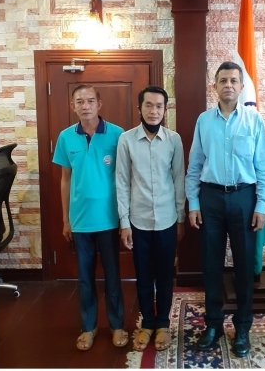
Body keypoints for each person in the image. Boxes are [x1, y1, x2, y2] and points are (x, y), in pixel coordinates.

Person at [185, 61, 265, 357]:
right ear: (215, 86)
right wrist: (193, 203)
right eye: (223, 80)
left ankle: (243, 327)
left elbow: (263, 167)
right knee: (211, 265)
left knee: (244, 266)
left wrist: (261, 204)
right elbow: (195, 165)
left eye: (234, 81)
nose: (228, 85)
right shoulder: (203, 121)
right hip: (210, 200)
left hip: (244, 199)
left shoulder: (253, 121)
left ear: (241, 86)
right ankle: (213, 325)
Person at [52, 84, 128, 351]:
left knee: (113, 276)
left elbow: (124, 178)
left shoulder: (117, 135)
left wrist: (124, 217)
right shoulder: (65, 137)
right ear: (73, 106)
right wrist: (65, 219)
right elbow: (65, 180)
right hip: (80, 221)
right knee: (84, 278)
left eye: (90, 101)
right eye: (80, 101)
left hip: (109, 219)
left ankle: (117, 325)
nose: (85, 106)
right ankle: (89, 327)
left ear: (100, 104)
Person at [115, 85, 186, 352]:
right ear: (139, 108)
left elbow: (179, 179)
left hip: (167, 219)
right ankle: (147, 323)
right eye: (148, 105)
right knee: (143, 275)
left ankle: (164, 325)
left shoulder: (174, 140)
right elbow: (121, 181)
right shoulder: (126, 140)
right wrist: (124, 222)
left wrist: (180, 217)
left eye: (159, 106)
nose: (154, 111)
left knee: (166, 275)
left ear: (165, 110)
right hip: (139, 220)